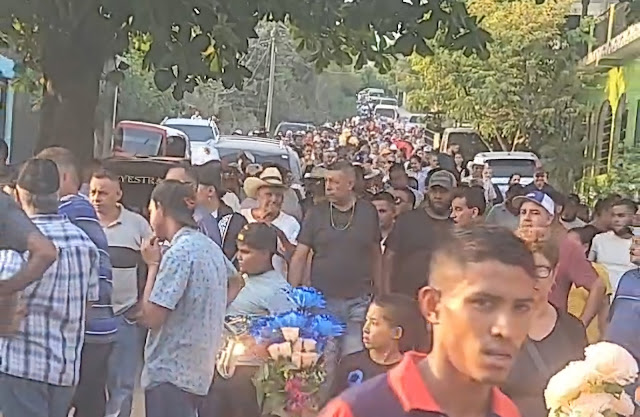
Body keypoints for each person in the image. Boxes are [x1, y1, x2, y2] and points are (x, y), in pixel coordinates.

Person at [319, 226, 535, 417]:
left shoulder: (507, 412)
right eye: (483, 303)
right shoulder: (357, 411)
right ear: (432, 305)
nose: (505, 328)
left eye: (521, 308)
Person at [0, 159, 99, 417]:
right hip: (64, 371)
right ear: (57, 193)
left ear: (20, 194)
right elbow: (87, 308)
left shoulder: (18, 243)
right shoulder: (85, 245)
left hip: (20, 367)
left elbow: (5, 302)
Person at [37, 146, 116, 417]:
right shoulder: (80, 211)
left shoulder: (71, 210)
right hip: (97, 327)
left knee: (75, 400)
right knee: (90, 400)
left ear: (64, 177)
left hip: (86, 329)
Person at [139, 180, 228, 417]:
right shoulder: (209, 247)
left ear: (160, 208)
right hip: (200, 370)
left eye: (151, 210)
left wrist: (152, 265)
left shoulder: (178, 253)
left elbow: (152, 316)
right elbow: (236, 280)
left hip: (170, 372)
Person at [289, 160, 382, 357]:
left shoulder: (368, 212)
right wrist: (293, 293)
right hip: (323, 299)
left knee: (354, 355)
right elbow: (300, 256)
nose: (328, 186)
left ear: (350, 184)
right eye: (327, 181)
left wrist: (381, 291)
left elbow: (376, 254)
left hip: (359, 298)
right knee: (326, 357)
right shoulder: (316, 213)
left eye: (334, 181)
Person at [202, 223, 296, 417]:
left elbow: (290, 334)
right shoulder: (233, 280)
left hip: (250, 374)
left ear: (265, 254)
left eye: (246, 252)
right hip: (217, 369)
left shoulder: (278, 289)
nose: (239, 256)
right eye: (238, 250)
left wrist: (263, 340)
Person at [88, 169, 153, 417]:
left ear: (118, 194)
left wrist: (143, 304)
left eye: (103, 193)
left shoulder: (138, 225)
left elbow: (154, 263)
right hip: (89, 319)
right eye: (93, 192)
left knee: (122, 386)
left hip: (125, 317)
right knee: (88, 386)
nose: (96, 198)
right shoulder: (82, 223)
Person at [501, 239, 587, 417]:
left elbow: (585, 388)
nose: (533, 278)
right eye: (526, 269)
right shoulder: (498, 326)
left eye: (540, 270)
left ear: (554, 274)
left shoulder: (572, 328)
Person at [514, 191, 606, 326]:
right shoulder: (509, 243)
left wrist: (579, 326)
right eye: (523, 212)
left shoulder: (567, 246)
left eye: (535, 213)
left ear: (549, 218)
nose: (527, 218)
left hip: (549, 327)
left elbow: (598, 286)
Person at [330, 294, 426, 397]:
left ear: (396, 333)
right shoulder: (350, 363)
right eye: (366, 320)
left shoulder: (411, 372)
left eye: (374, 323)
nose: (365, 328)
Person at [383, 170, 455, 298]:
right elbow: (389, 258)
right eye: (434, 191)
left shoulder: (457, 224)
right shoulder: (408, 220)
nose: (438, 196)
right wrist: (386, 294)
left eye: (443, 191)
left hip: (444, 297)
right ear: (427, 191)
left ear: (453, 193)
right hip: (406, 297)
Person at [242, 167, 300, 277]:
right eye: (268, 194)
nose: (274, 199)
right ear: (258, 196)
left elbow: (296, 258)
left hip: (276, 282)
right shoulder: (243, 217)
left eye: (278, 195)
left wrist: (279, 234)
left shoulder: (290, 223)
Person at [194, 162, 248, 263]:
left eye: (195, 188)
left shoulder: (236, 223)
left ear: (210, 191)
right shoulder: (186, 219)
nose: (190, 193)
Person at [567, 226, 612, 343]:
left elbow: (604, 308)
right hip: (561, 336)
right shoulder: (557, 269)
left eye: (571, 244)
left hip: (589, 338)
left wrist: (604, 339)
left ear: (585, 247)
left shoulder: (598, 271)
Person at [165, 164, 223, 246]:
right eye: (165, 184)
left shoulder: (202, 221)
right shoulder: (164, 216)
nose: (166, 189)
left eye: (173, 185)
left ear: (191, 186)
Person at [589, 198, 637, 293]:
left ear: (633, 217)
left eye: (621, 216)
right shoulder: (599, 239)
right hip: (602, 296)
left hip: (629, 296)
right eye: (613, 215)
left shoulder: (637, 242)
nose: (615, 220)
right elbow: (588, 268)